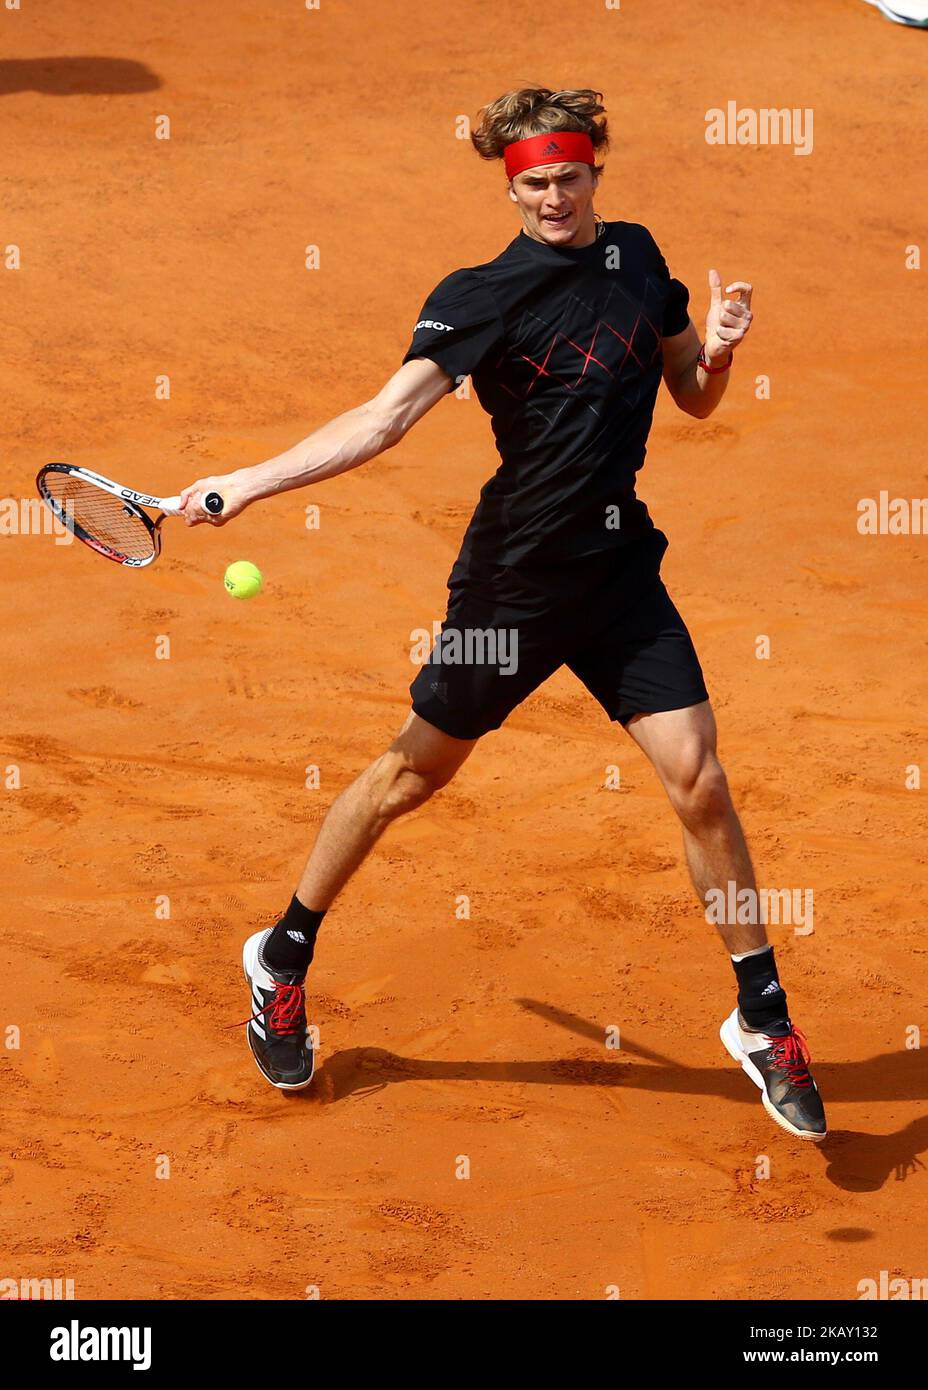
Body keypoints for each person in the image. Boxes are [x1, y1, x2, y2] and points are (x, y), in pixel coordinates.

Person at [180, 87, 825, 1140]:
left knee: (699, 777)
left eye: (570, 176)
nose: (555, 197)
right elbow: (383, 418)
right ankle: (283, 952)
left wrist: (718, 345)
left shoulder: (641, 261)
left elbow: (691, 396)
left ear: (595, 172)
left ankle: (761, 1018)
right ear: (508, 183)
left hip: (617, 575)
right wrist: (248, 481)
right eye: (533, 182)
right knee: (410, 777)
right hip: (512, 587)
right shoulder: (482, 294)